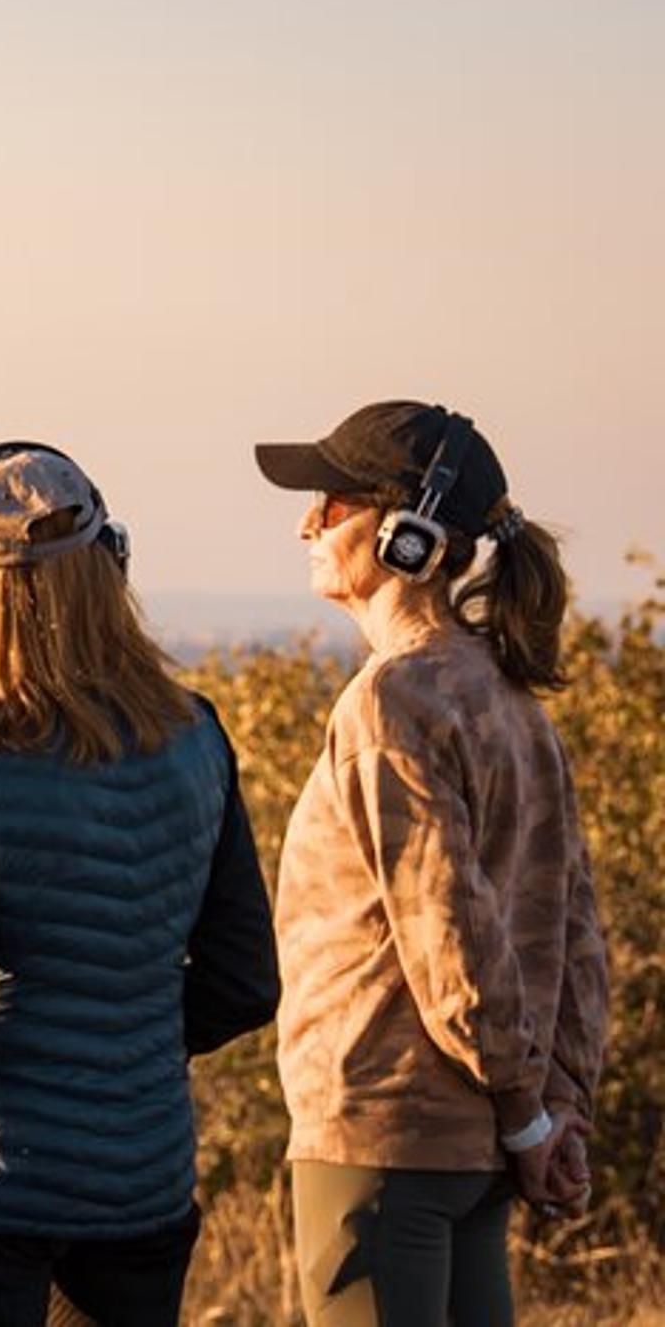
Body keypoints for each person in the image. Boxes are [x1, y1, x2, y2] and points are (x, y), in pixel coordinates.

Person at [0, 441, 280, 1327]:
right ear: (112, 561)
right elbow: (245, 980)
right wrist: (118, 1040)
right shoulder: (198, 733)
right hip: (144, 1174)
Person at [255, 400, 609, 1327]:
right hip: (478, 1151)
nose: (305, 524)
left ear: (406, 535)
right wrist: (553, 1107)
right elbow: (576, 935)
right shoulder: (516, 705)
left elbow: (447, 933)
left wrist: (535, 1118)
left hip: (382, 1136)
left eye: (329, 506)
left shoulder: (390, 703)